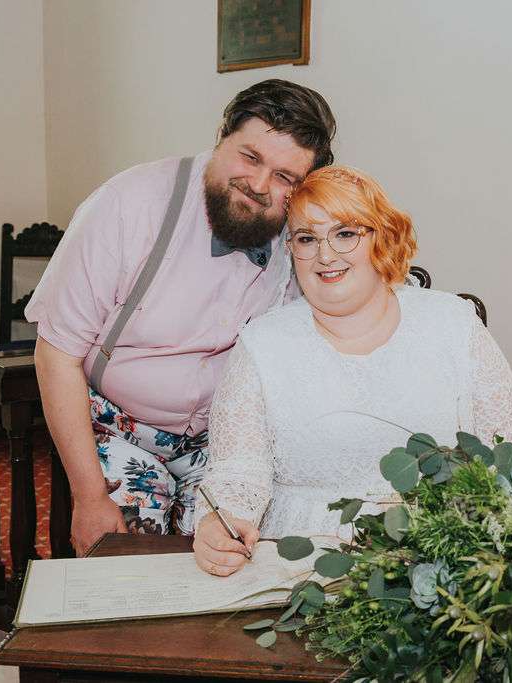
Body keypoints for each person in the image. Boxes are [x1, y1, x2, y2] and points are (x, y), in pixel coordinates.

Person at [26, 80, 337, 553]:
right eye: (250, 157)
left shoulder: (299, 233)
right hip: (119, 429)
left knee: (235, 558)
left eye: (284, 178)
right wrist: (89, 497)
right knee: (127, 566)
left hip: (224, 440)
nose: (259, 186)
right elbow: (56, 355)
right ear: (222, 136)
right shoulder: (130, 204)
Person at [192, 166, 512, 576]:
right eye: (306, 239)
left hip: (441, 558)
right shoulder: (262, 344)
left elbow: (506, 460)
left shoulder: (455, 325)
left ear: (381, 237)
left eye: (345, 234)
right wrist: (221, 523)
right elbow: (238, 470)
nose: (325, 255)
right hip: (300, 566)